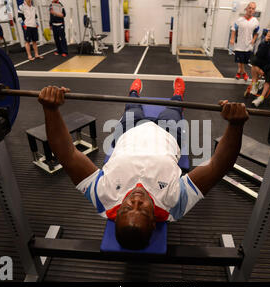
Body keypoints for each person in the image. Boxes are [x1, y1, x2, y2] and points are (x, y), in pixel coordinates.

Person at [37, 78, 249, 250]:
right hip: (167, 134)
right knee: (173, 109)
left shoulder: (103, 196)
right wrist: (235, 125)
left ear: (116, 213)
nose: (135, 200)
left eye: (127, 208)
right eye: (144, 210)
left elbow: (68, 155)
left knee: (132, 107)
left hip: (129, 130)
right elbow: (217, 166)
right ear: (154, 222)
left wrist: (50, 110)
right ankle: (178, 93)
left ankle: (134, 91)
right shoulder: (174, 203)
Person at [230, 2, 259, 81]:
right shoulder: (239, 20)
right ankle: (244, 73)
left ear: (254, 11)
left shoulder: (255, 21)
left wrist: (253, 39)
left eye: (253, 8)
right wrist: (232, 39)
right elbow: (233, 29)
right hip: (239, 44)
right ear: (246, 8)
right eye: (249, 8)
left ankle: (239, 72)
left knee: (244, 61)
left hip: (248, 45)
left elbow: (257, 32)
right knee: (240, 61)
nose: (251, 10)